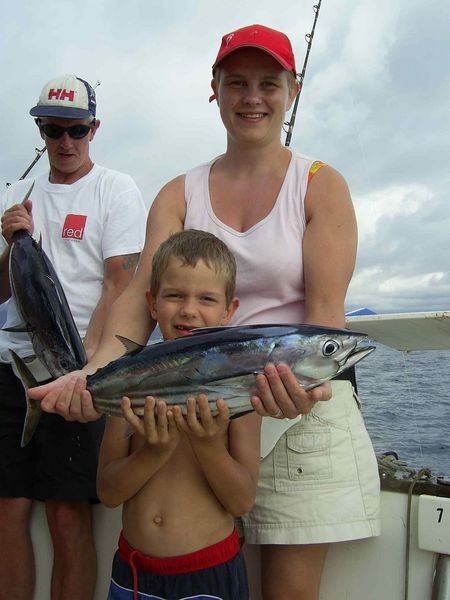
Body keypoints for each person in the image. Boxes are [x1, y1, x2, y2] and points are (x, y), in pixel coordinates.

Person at [30, 25, 381, 599]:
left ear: (292, 91)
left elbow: (324, 320)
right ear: (214, 89)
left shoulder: (320, 185)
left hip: (299, 415)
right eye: (236, 82)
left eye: (269, 83)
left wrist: (306, 389)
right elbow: (138, 297)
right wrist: (92, 375)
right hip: (194, 399)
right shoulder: (179, 192)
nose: (252, 97)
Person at [0, 74, 147, 600]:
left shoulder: (115, 189)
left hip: (78, 370)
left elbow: (119, 286)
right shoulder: (15, 194)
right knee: (7, 510)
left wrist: (86, 368)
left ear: (94, 128)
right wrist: (10, 240)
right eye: (52, 130)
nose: (65, 142)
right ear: (40, 130)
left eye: (76, 130)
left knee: (66, 513)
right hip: (11, 367)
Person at [98, 229, 261, 600]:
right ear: (152, 303)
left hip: (209, 576)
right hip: (134, 574)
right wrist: (154, 452)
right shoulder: (130, 381)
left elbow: (241, 502)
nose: (189, 309)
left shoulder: (241, 388)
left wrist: (208, 444)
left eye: (206, 298)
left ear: (229, 310)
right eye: (174, 295)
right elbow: (108, 492)